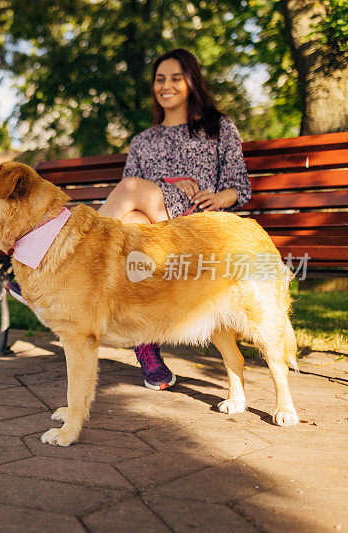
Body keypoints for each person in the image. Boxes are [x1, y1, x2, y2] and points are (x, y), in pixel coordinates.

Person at [97, 48, 251, 390]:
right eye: (159, 79)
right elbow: (127, 206)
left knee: (132, 190)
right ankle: (147, 350)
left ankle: (69, 258)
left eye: (175, 78)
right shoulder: (143, 140)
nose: (165, 85)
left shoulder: (218, 127)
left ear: (191, 82)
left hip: (196, 223)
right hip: (150, 232)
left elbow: (239, 185)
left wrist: (217, 196)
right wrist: (167, 183)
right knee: (133, 222)